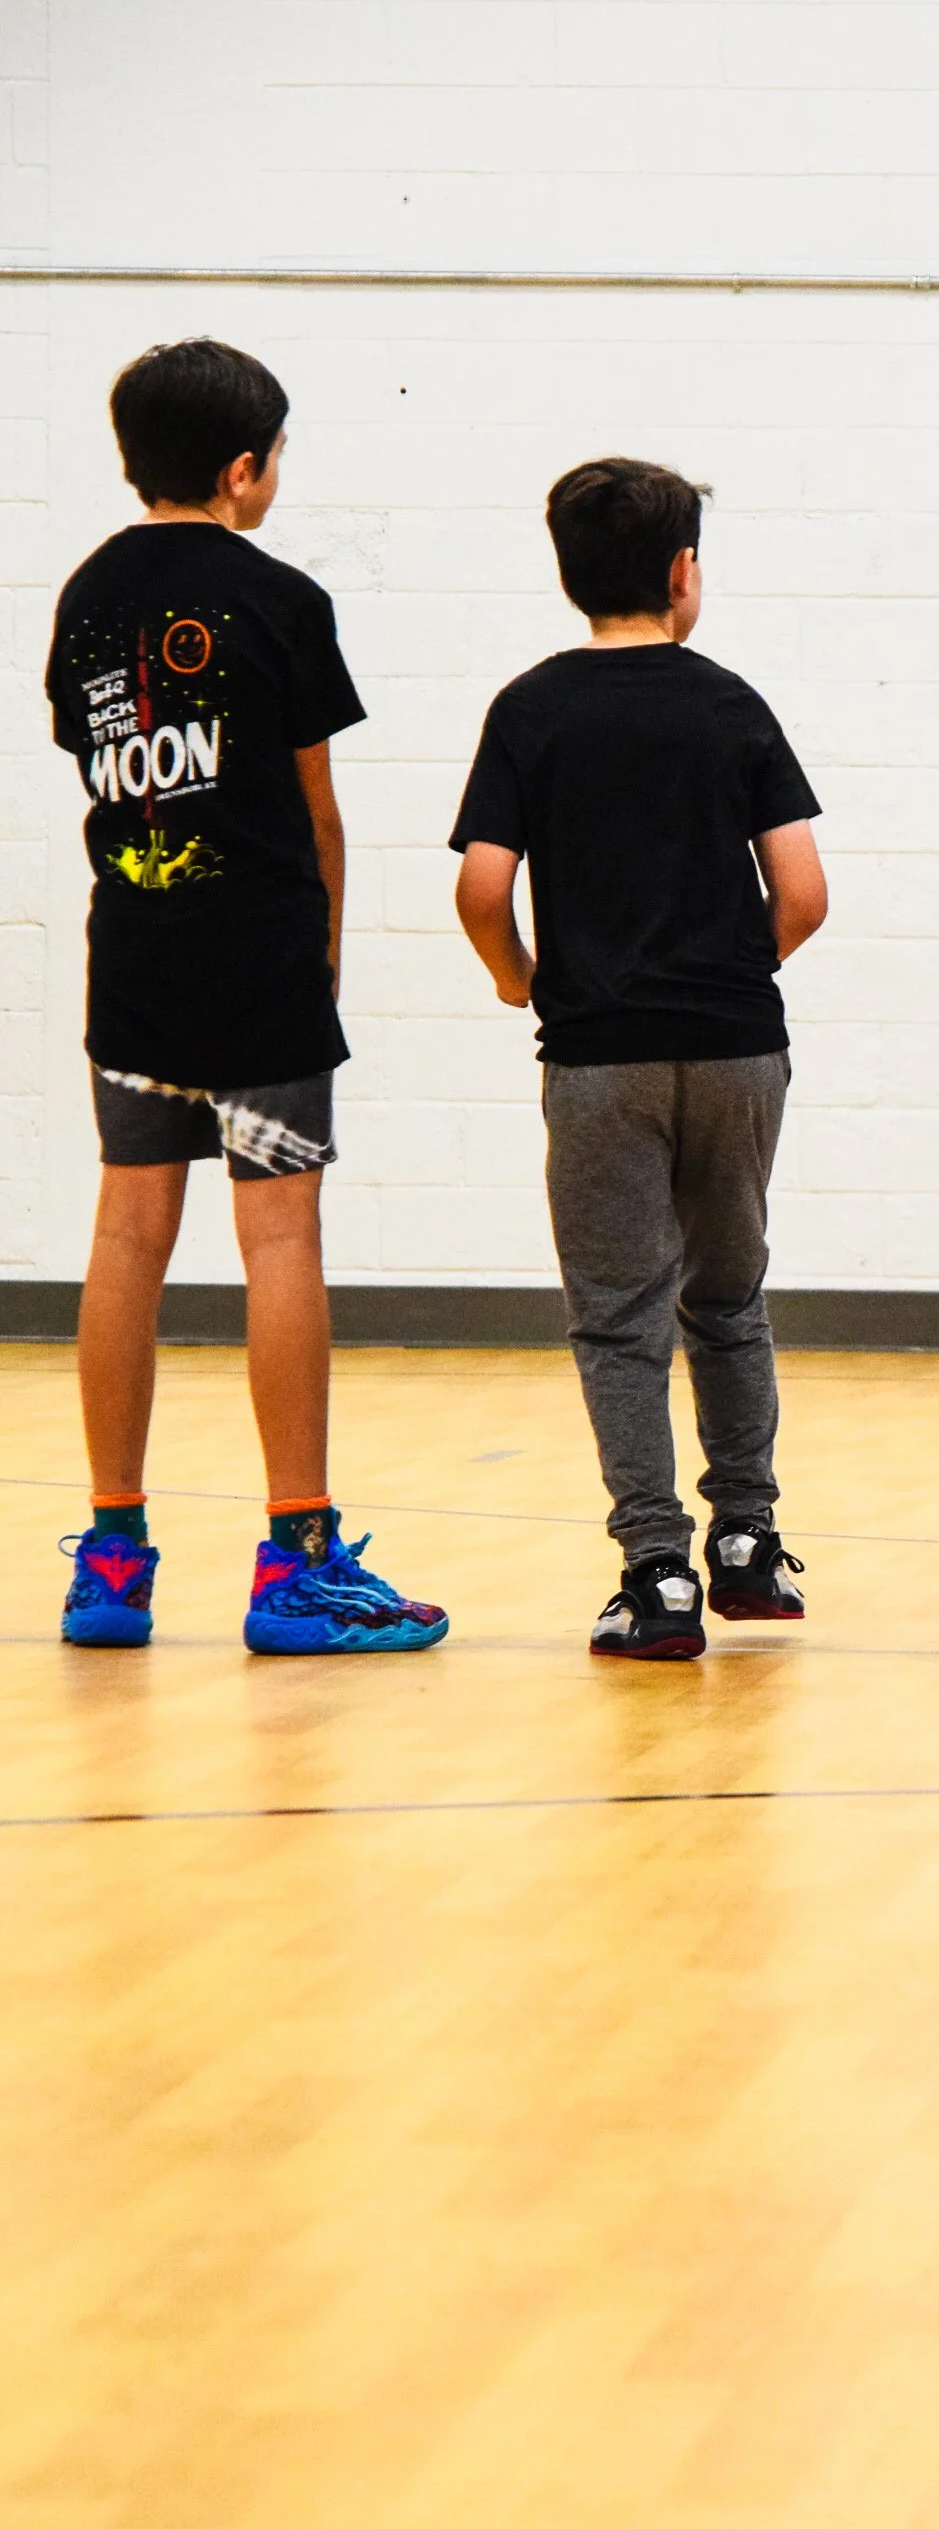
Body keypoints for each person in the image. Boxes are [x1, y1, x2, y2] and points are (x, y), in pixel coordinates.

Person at [46, 337, 447, 1656]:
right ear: (242, 469)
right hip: (264, 967)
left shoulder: (90, 599)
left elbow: (100, 766)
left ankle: (111, 1559)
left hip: (138, 966)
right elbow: (318, 812)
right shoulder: (282, 599)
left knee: (125, 1242)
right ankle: (296, 1560)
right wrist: (321, 955)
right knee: (279, 1244)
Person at [452, 456, 827, 1664]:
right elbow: (806, 893)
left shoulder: (530, 710)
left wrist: (522, 980)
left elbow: (481, 886)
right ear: (683, 576)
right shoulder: (729, 704)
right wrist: (734, 971)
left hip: (599, 1060)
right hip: (733, 1050)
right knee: (728, 1299)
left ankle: (657, 1574)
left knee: (620, 1322)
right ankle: (748, 1545)